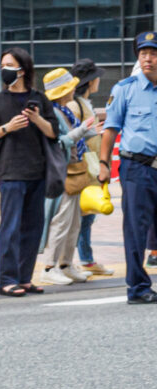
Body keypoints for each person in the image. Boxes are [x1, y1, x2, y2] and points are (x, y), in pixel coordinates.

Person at [0, 47, 58, 297]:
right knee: (10, 227)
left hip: (37, 171)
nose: (4, 70)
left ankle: (25, 278)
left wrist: (37, 119)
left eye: (9, 65)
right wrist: (7, 127)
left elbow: (53, 132)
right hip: (9, 171)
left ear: (22, 70)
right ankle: (6, 279)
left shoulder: (39, 99)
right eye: (2, 64)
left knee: (33, 227)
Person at [100, 31, 157, 304]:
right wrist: (103, 165)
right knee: (136, 228)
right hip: (137, 168)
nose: (148, 58)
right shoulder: (125, 89)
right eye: (143, 53)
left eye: (153, 53)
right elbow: (110, 130)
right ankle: (137, 287)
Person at [39, 68, 97, 286]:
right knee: (61, 221)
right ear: (64, 91)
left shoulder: (63, 111)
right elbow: (61, 141)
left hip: (72, 170)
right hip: (61, 172)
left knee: (74, 222)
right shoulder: (53, 113)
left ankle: (65, 264)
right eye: (70, 87)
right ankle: (48, 266)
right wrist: (83, 129)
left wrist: (88, 130)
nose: (74, 90)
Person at [67, 58, 113, 276]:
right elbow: (71, 134)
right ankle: (82, 259)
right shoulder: (75, 105)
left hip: (91, 165)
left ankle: (84, 259)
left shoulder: (84, 103)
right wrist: (92, 132)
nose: (98, 81)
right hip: (81, 167)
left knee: (87, 214)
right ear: (89, 81)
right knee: (82, 215)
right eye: (95, 78)